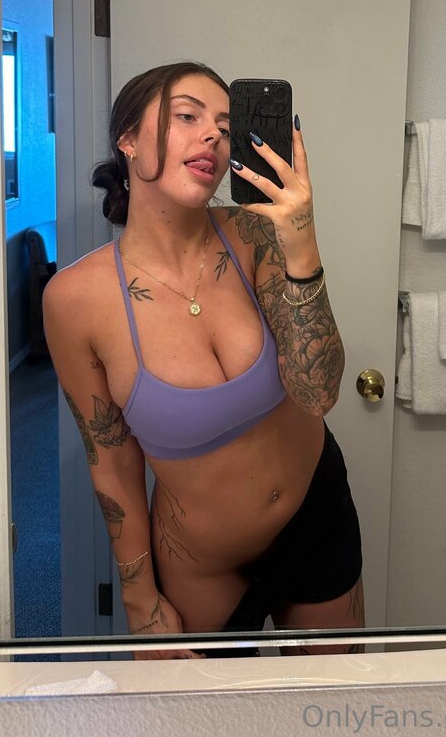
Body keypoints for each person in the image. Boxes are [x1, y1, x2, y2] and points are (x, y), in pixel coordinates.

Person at [42, 61, 364, 659]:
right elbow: (112, 463)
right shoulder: (75, 301)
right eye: (187, 116)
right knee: (204, 706)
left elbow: (318, 393)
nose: (213, 135)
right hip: (201, 563)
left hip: (315, 516)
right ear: (128, 138)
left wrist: (302, 240)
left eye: (225, 125)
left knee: (330, 701)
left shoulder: (254, 236)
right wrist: (139, 603)